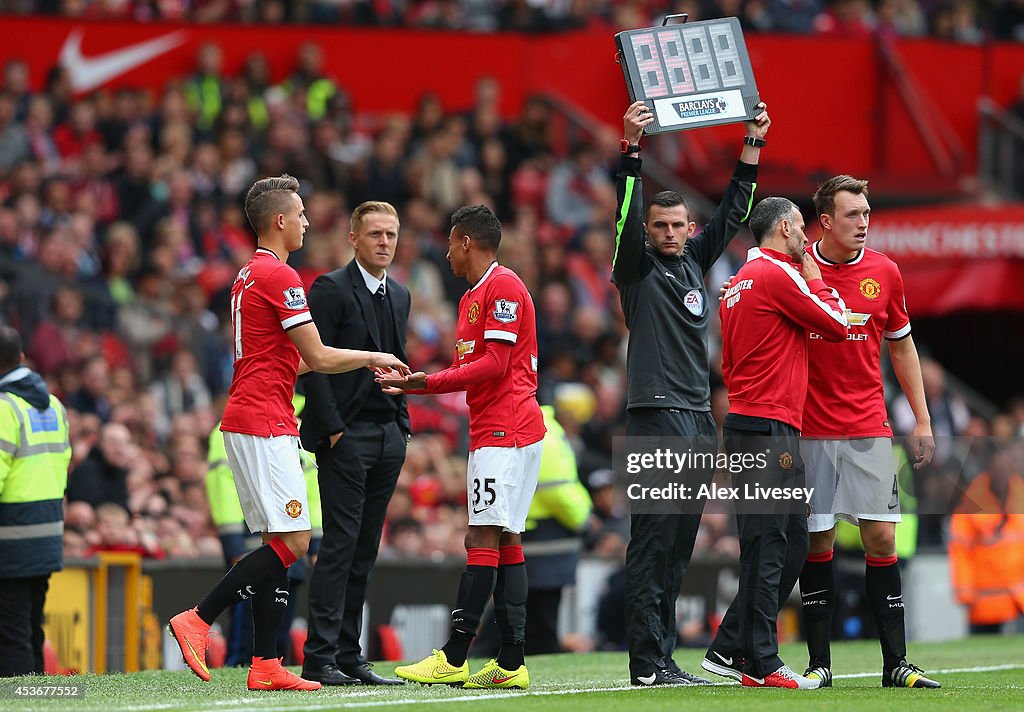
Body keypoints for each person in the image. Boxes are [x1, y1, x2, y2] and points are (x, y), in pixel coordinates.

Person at [166, 174, 408, 692]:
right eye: (299, 214)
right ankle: (198, 618)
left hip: (251, 413)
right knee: (296, 540)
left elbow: (286, 362)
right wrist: (371, 357)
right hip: (264, 420)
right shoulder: (282, 278)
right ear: (279, 221)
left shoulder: (246, 275)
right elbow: (317, 357)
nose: (305, 221)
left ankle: (266, 663)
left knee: (279, 540)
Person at [613, 99, 769, 686]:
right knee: (652, 545)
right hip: (656, 417)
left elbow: (732, 214)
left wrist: (751, 145)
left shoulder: (691, 262)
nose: (673, 234)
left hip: (700, 419)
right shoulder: (637, 267)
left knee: (680, 548)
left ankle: (663, 658)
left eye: (679, 225)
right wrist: (632, 149)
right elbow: (626, 214)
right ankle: (645, 665)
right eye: (662, 227)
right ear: (648, 233)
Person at [379, 204, 545, 690]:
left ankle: (453, 656)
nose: (447, 252)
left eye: (450, 243)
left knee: (481, 539)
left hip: (506, 430)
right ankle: (513, 664)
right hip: (500, 429)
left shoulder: (504, 287)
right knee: (507, 540)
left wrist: (426, 383)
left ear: (466, 241)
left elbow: (495, 363)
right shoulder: (475, 293)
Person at [796, 175, 940, 689]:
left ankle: (896, 663)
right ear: (826, 221)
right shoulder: (793, 269)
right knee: (819, 540)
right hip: (808, 428)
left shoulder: (885, 272)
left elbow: (902, 345)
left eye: (867, 213)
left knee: (881, 537)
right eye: (852, 215)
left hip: (867, 426)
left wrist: (921, 419)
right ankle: (819, 664)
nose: (863, 223)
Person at [704, 197, 848, 689]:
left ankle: (731, 649)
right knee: (770, 546)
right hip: (768, 427)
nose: (806, 240)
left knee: (788, 544)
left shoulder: (736, 284)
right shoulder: (774, 275)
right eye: (802, 231)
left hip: (755, 423)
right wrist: (815, 274)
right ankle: (762, 661)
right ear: (786, 227)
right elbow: (836, 324)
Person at [299, 201, 411, 687]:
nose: (384, 242)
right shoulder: (329, 288)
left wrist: (402, 422)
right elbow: (311, 364)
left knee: (364, 550)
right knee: (340, 547)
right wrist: (333, 430)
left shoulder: (400, 294)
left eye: (391, 234)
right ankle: (319, 656)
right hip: (347, 435)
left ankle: (349, 655)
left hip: (387, 435)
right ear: (353, 238)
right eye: (375, 235)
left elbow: (399, 360)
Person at [205, 394, 322, 667]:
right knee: (247, 616)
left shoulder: (299, 426)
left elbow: (311, 490)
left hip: (289, 531)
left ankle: (269, 665)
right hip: (254, 532)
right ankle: (239, 663)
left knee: (280, 612)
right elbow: (223, 485)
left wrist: (314, 542)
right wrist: (233, 541)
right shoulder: (237, 424)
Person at [0, 325, 72, 677]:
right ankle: (35, 697)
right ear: (22, 358)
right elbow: (62, 465)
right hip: (46, 532)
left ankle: (17, 700)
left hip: (11, 535)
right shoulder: (54, 405)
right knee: (30, 625)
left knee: (10, 633)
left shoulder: (5, 407)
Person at [949, 444, 1024, 634]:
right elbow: (960, 552)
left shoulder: (1019, 495)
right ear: (989, 467)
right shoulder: (971, 503)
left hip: (1019, 596)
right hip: (986, 601)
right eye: (998, 465)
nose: (1003, 471)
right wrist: (965, 593)